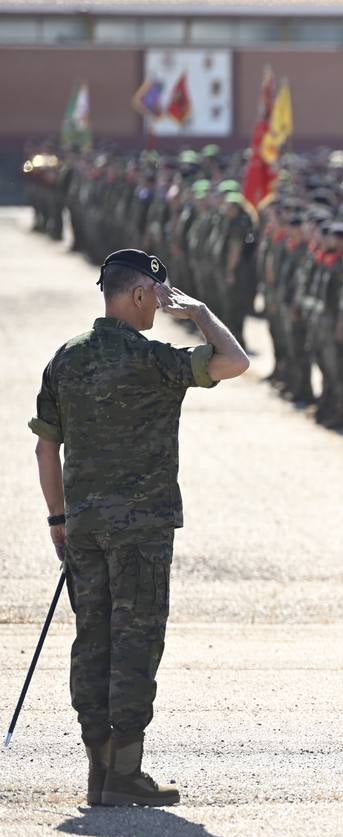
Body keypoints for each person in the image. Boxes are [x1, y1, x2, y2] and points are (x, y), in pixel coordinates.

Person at [29, 249, 249, 806]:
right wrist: (199, 312)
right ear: (138, 295)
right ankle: (124, 774)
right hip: (142, 531)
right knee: (135, 643)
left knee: (92, 641)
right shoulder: (155, 361)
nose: (159, 305)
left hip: (82, 527)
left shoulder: (66, 359)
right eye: (157, 295)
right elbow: (235, 360)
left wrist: (58, 518)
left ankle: (98, 771)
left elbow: (45, 446)